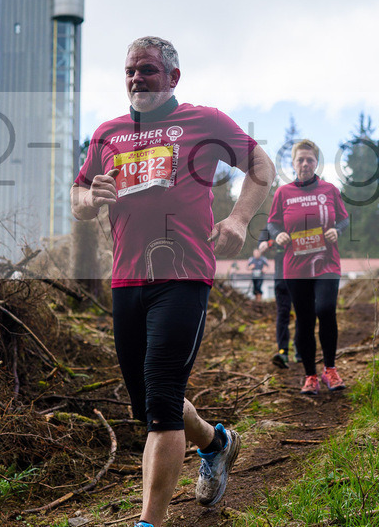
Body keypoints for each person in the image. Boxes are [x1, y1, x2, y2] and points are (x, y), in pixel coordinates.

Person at [71, 36, 275, 527]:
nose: (137, 78)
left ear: (173, 78)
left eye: (148, 70)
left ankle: (149, 522)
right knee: (151, 400)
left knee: (160, 404)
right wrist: (90, 197)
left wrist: (239, 220)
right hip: (127, 280)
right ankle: (216, 442)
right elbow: (78, 199)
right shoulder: (108, 133)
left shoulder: (203, 122)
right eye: (130, 71)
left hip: (183, 275)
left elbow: (262, 167)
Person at [266, 140, 349, 395]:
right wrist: (278, 234)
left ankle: (331, 369)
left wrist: (337, 230)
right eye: (300, 160)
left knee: (325, 310)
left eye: (309, 160)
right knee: (304, 320)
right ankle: (310, 375)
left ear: (316, 163)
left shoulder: (329, 190)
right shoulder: (283, 193)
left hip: (326, 262)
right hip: (296, 266)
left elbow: (344, 218)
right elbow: (272, 223)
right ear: (293, 164)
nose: (305, 164)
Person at [257, 229, 297, 368]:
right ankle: (283, 352)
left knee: (303, 313)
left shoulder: (301, 218)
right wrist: (264, 244)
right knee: (283, 313)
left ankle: (300, 349)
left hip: (302, 275)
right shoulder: (273, 224)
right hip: (282, 277)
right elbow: (263, 239)